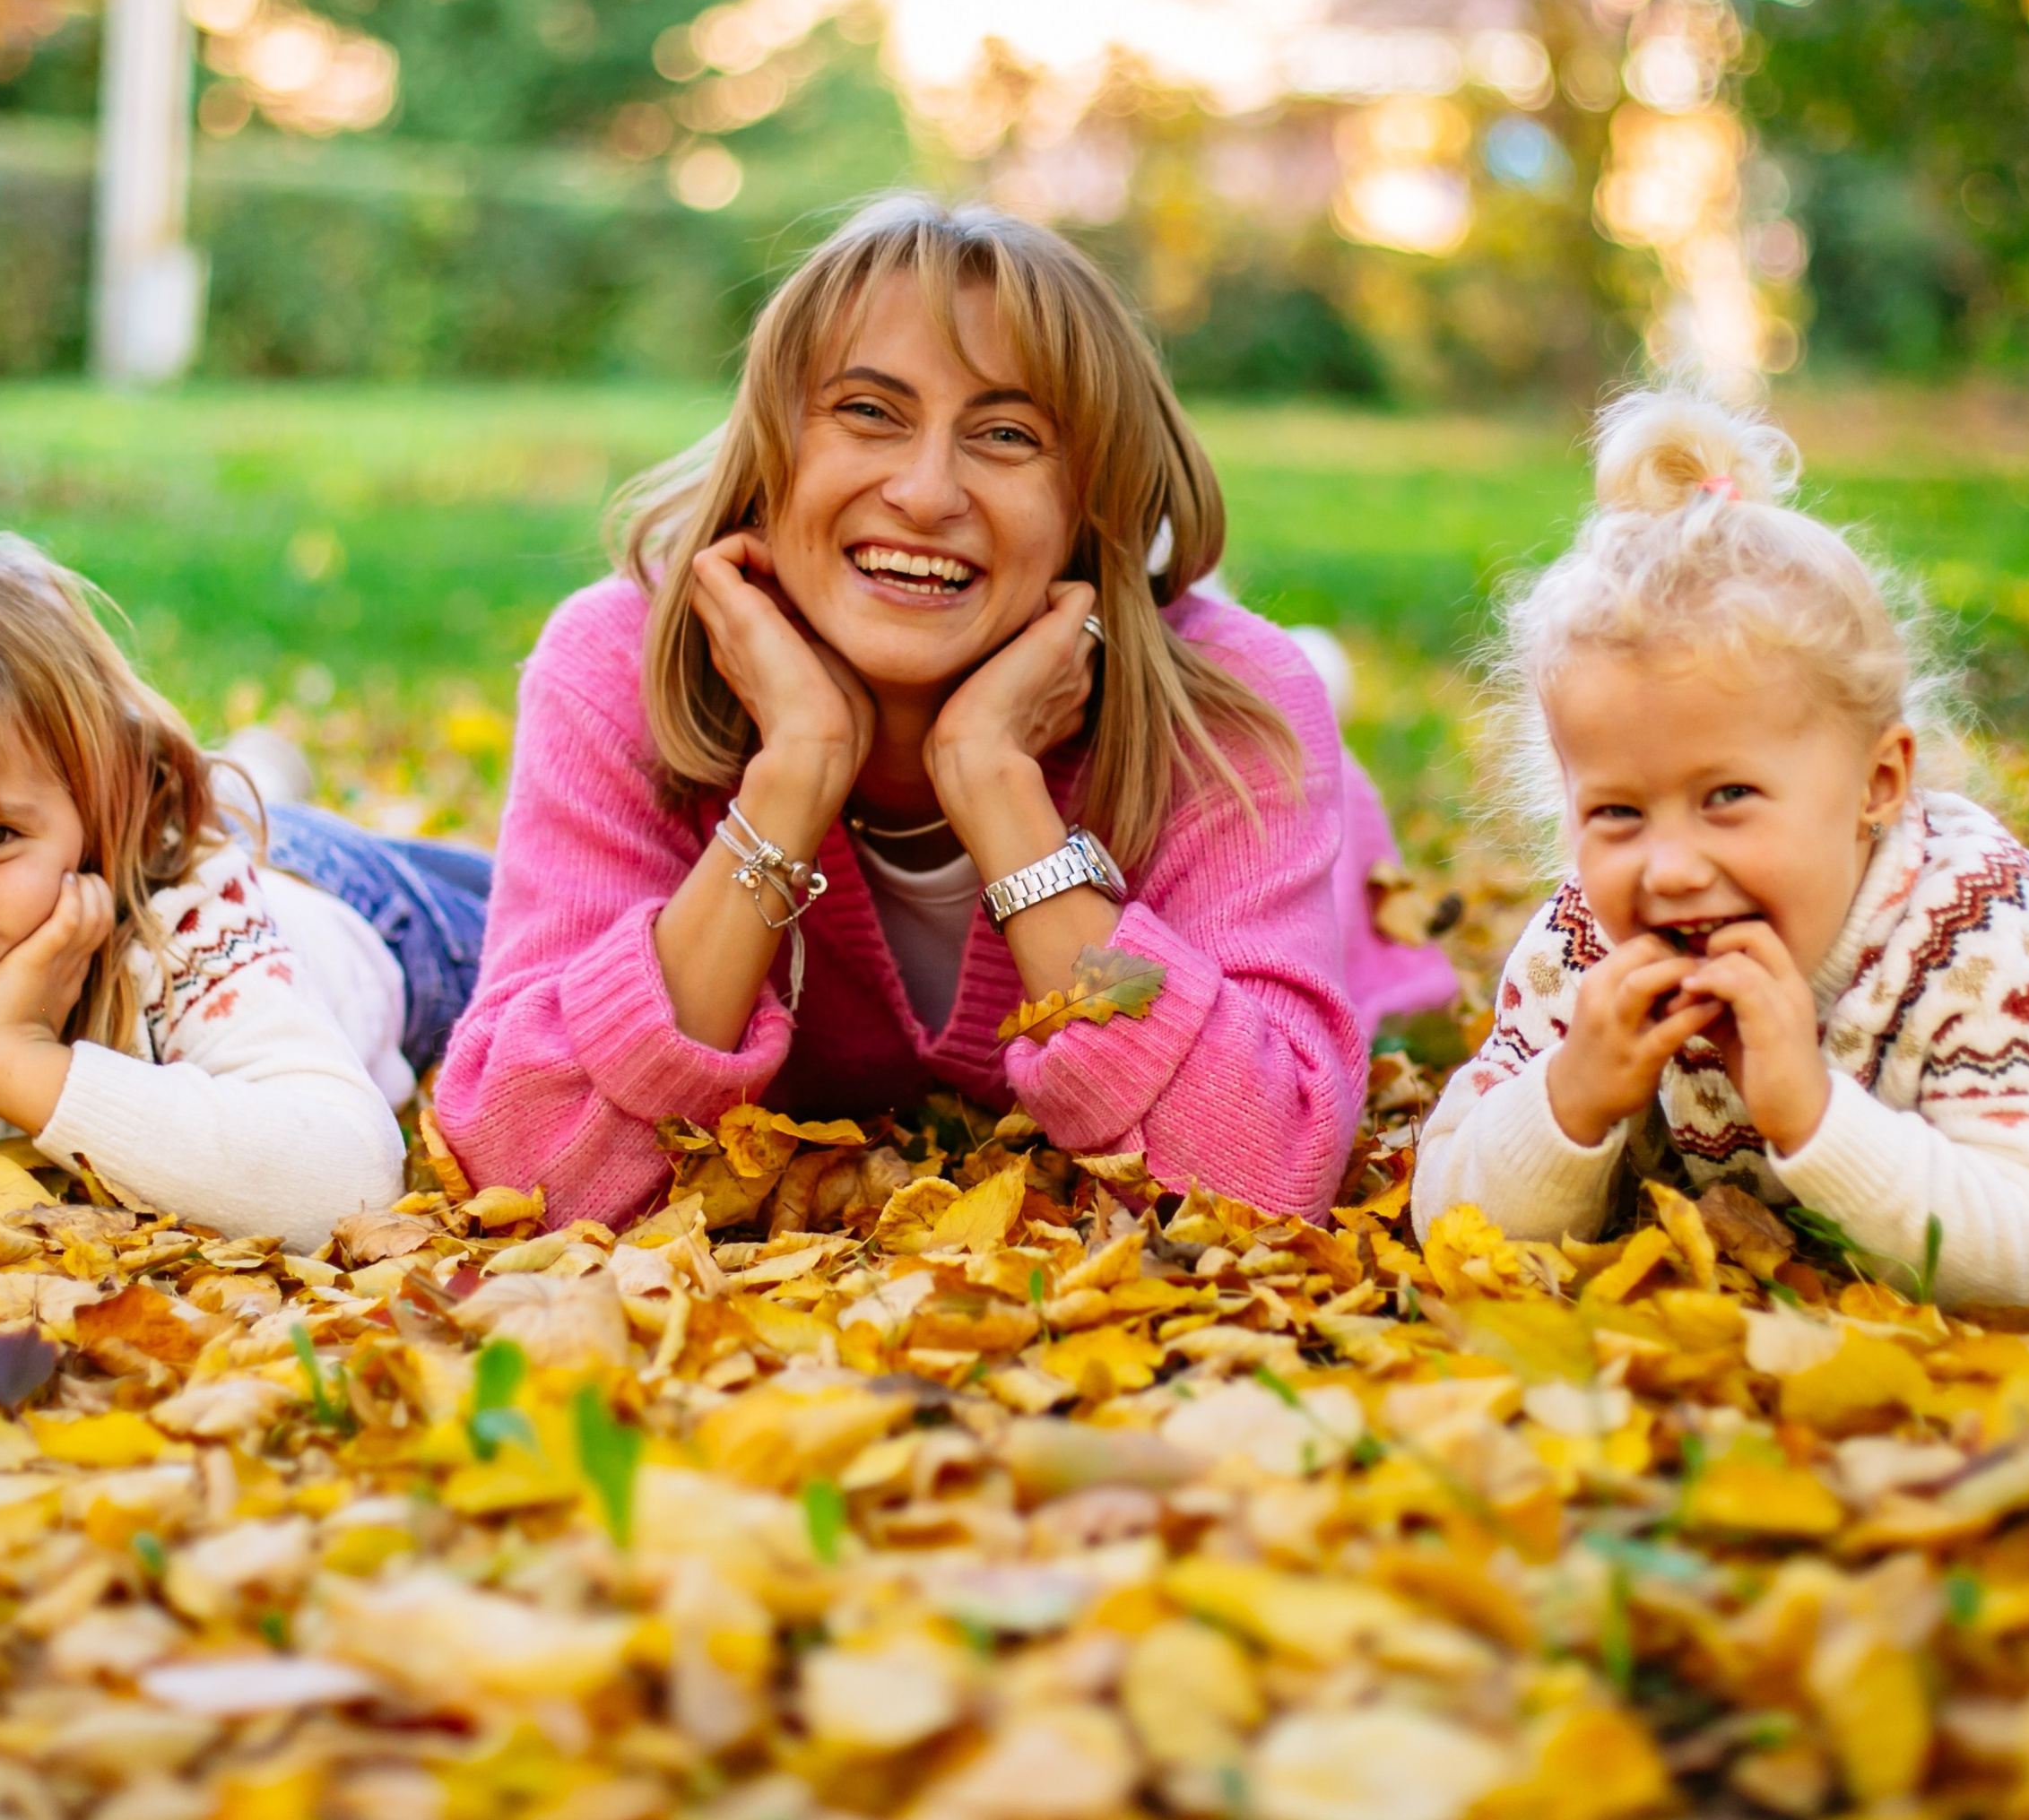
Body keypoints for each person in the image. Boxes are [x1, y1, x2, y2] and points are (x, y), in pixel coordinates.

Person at [436, 196, 1368, 1230]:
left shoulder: (1229, 714)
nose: (925, 494)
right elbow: (528, 1169)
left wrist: (1000, 793)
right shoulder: (616, 660)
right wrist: (794, 775)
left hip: (1281, 826)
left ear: (1090, 506)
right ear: (771, 455)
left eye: (1007, 434)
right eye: (868, 412)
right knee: (360, 902)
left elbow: (1264, 1177)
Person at [1411, 385, 2029, 1309]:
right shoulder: (1589, 945)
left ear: (1877, 785)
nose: (1668, 867)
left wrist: (1817, 1119)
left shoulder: (1986, 946)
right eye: (1618, 814)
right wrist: (1566, 1096)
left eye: (1727, 797)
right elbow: (1451, 1223)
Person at [0, 533, 489, 1251]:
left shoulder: (188, 928)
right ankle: (259, 770)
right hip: (221, 832)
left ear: (100, 810)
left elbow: (349, 1181)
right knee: (245, 813)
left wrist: (21, 1059)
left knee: (546, 922)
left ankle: (256, 781)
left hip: (373, 917)